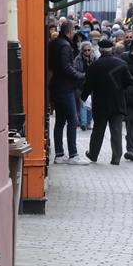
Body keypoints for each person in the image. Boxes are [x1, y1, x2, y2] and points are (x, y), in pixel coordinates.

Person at [82, 39, 133, 165]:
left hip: (100, 103)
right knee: (116, 131)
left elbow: (88, 84)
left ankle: (93, 154)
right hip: (117, 102)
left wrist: (83, 97)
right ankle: (116, 158)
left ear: (100, 50)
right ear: (112, 49)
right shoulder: (121, 63)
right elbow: (129, 81)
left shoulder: (95, 65)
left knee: (98, 131)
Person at [48, 21, 89, 165]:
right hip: (65, 87)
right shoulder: (65, 46)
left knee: (59, 121)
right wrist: (80, 75)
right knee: (72, 120)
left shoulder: (54, 43)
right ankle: (73, 155)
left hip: (56, 86)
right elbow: (66, 67)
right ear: (70, 31)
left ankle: (59, 154)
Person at [73, 41, 96, 131]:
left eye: (88, 50)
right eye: (85, 50)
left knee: (90, 105)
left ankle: (89, 122)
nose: (87, 52)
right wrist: (84, 75)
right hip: (81, 85)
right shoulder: (77, 59)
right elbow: (75, 71)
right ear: (82, 51)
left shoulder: (94, 58)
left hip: (92, 85)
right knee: (82, 104)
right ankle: (83, 122)